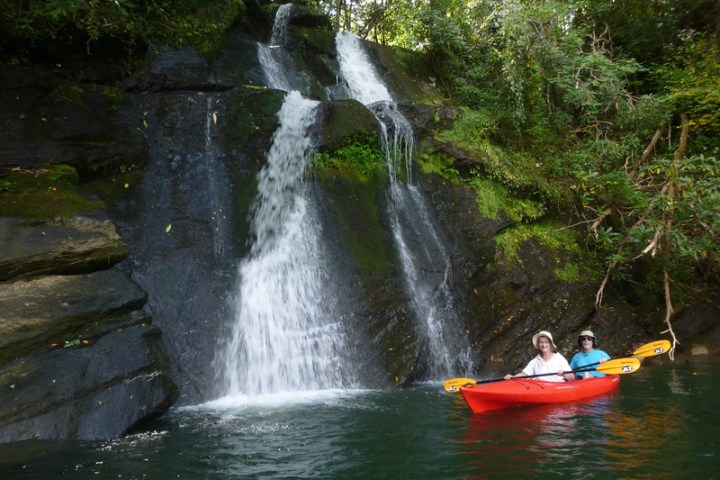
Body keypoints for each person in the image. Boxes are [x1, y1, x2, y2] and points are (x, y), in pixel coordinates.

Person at [504, 330, 575, 382]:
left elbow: (572, 378)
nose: (544, 345)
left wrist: (564, 373)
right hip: (539, 387)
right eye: (541, 342)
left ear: (550, 344)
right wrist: (512, 377)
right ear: (538, 345)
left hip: (556, 388)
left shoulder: (559, 358)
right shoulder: (535, 361)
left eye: (546, 342)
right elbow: (523, 374)